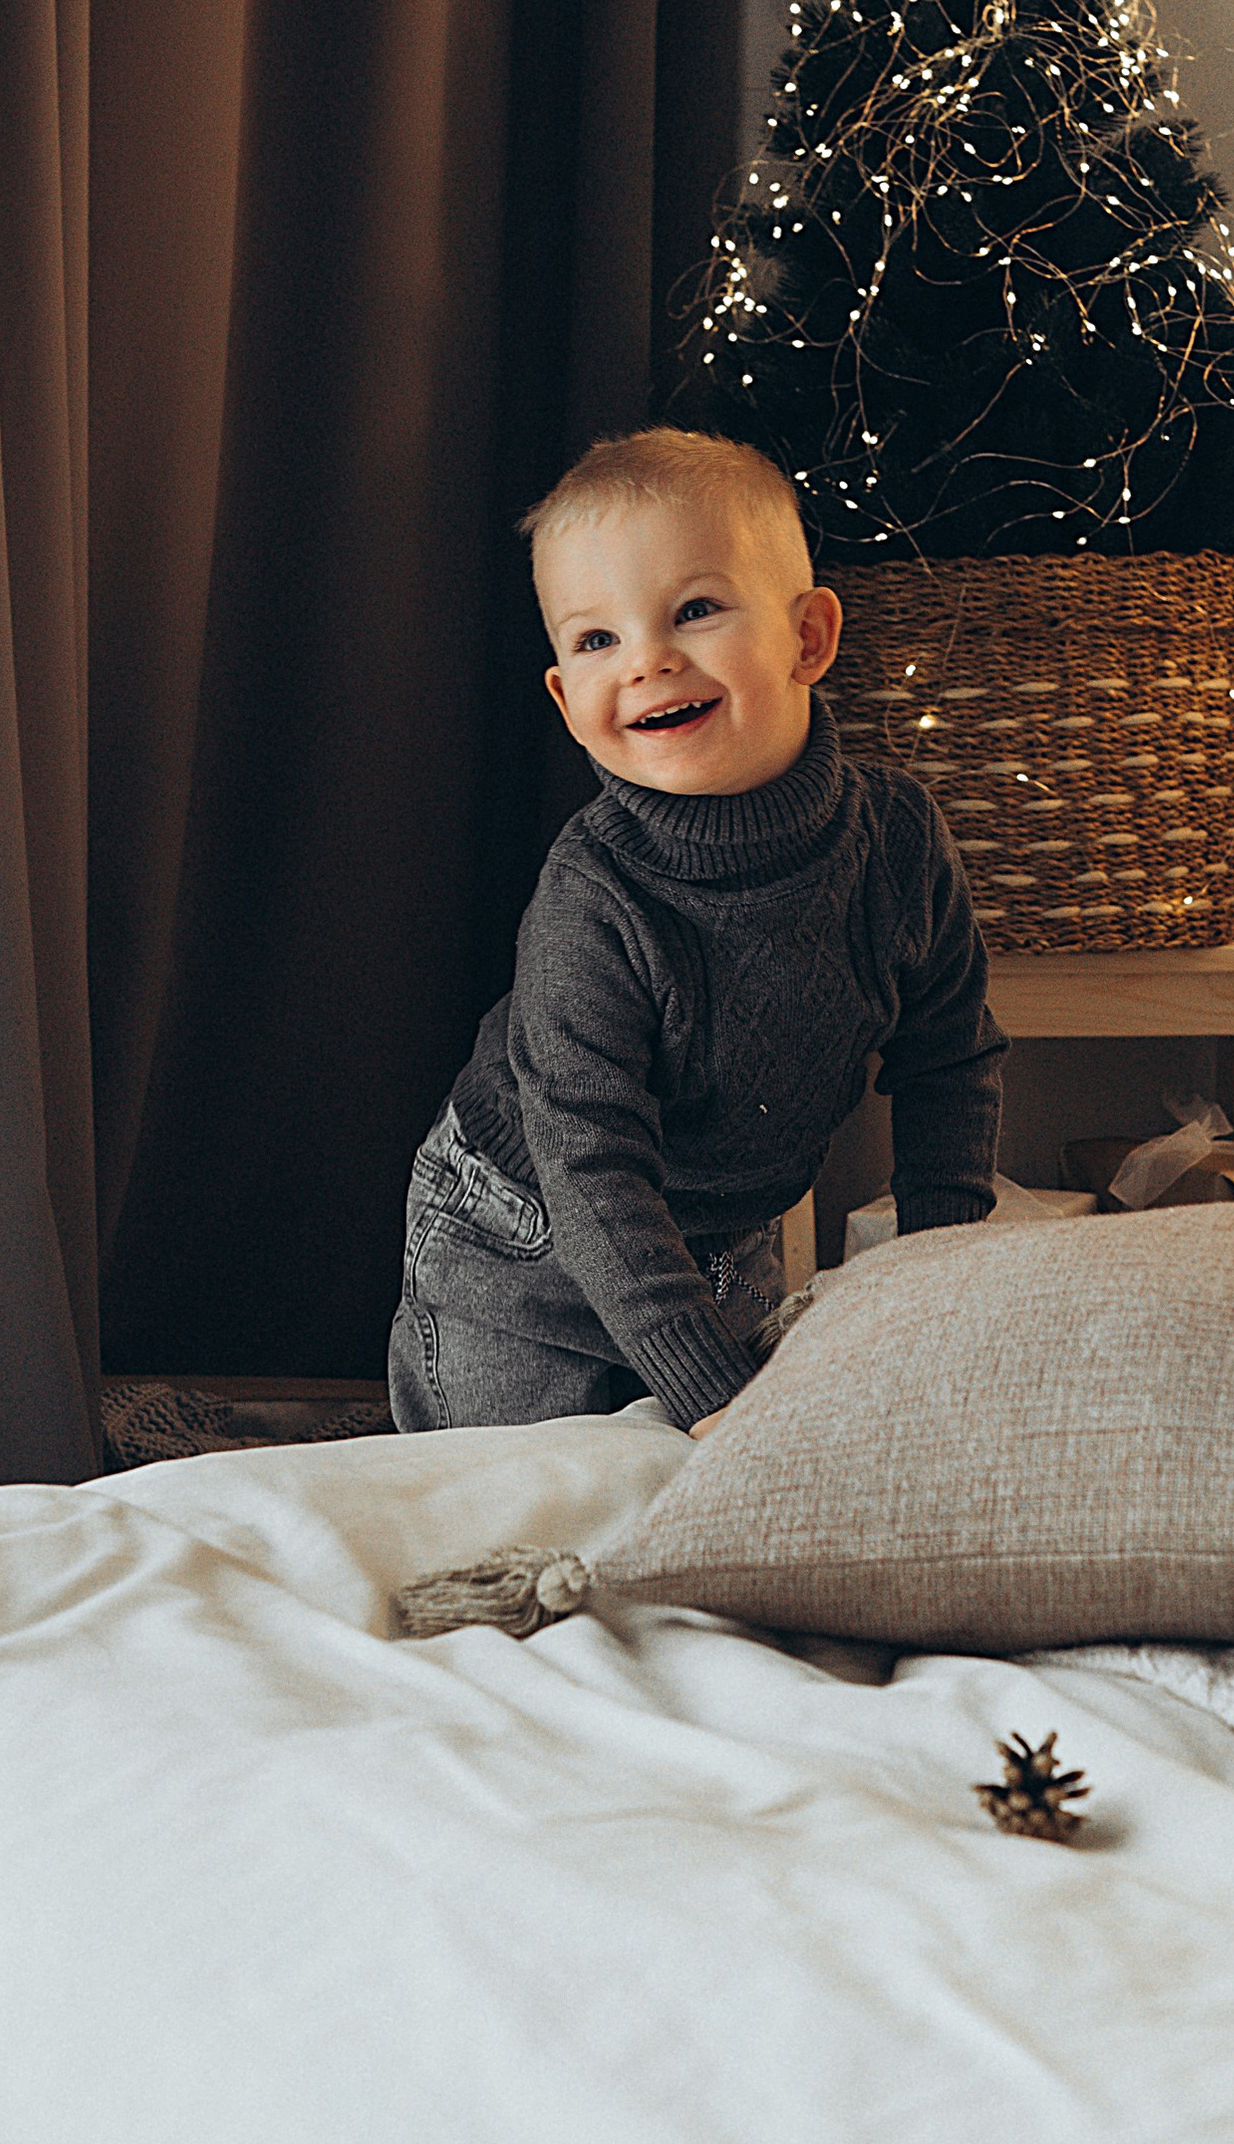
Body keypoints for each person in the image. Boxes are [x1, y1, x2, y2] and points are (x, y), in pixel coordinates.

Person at [388, 427, 1004, 1434]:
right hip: (525, 1239)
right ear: (566, 702)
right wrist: (710, 1392)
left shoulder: (894, 841)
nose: (649, 660)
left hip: (720, 1234)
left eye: (695, 609)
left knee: (717, 1495)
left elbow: (950, 1058)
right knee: (520, 1487)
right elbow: (586, 1161)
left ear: (808, 636)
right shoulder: (594, 896)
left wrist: (942, 1275)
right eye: (596, 639)